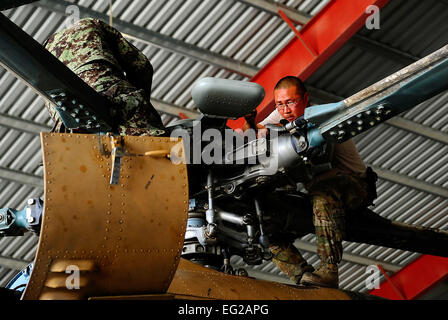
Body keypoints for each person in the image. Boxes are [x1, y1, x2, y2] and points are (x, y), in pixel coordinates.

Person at [257, 76, 375, 288]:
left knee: (323, 193)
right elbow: (257, 130)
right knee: (263, 221)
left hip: (354, 185)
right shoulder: (284, 112)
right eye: (279, 104)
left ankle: (329, 270)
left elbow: (336, 167)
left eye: (290, 102)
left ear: (305, 99)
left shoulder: (324, 117)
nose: (285, 110)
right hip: (315, 189)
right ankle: (302, 275)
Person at [44, 18, 165, 137]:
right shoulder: (91, 24)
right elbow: (141, 65)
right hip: (107, 90)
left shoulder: (46, 48)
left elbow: (50, 98)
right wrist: (140, 101)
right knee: (156, 145)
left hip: (69, 123)